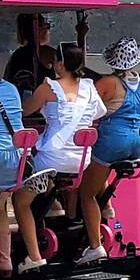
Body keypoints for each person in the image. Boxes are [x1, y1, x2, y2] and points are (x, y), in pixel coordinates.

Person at [0, 49, 55, 276]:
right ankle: (15, 257)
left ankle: (2, 258)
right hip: (20, 156)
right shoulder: (11, 89)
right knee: (3, 200)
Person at [75, 37, 140, 264]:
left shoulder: (108, 83)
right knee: (98, 171)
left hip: (113, 141)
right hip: (137, 143)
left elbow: (84, 105)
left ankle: (95, 246)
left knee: (85, 193)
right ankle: (107, 206)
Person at [25, 41, 106, 212]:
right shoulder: (89, 87)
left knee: (21, 194)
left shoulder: (49, 87)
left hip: (52, 159)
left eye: (55, 61)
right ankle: (56, 206)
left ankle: (51, 207)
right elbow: (101, 111)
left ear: (61, 65)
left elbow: (25, 111)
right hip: (81, 160)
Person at [4, 13, 52, 100]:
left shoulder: (17, 55)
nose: (48, 29)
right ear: (37, 29)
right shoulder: (47, 53)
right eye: (46, 26)